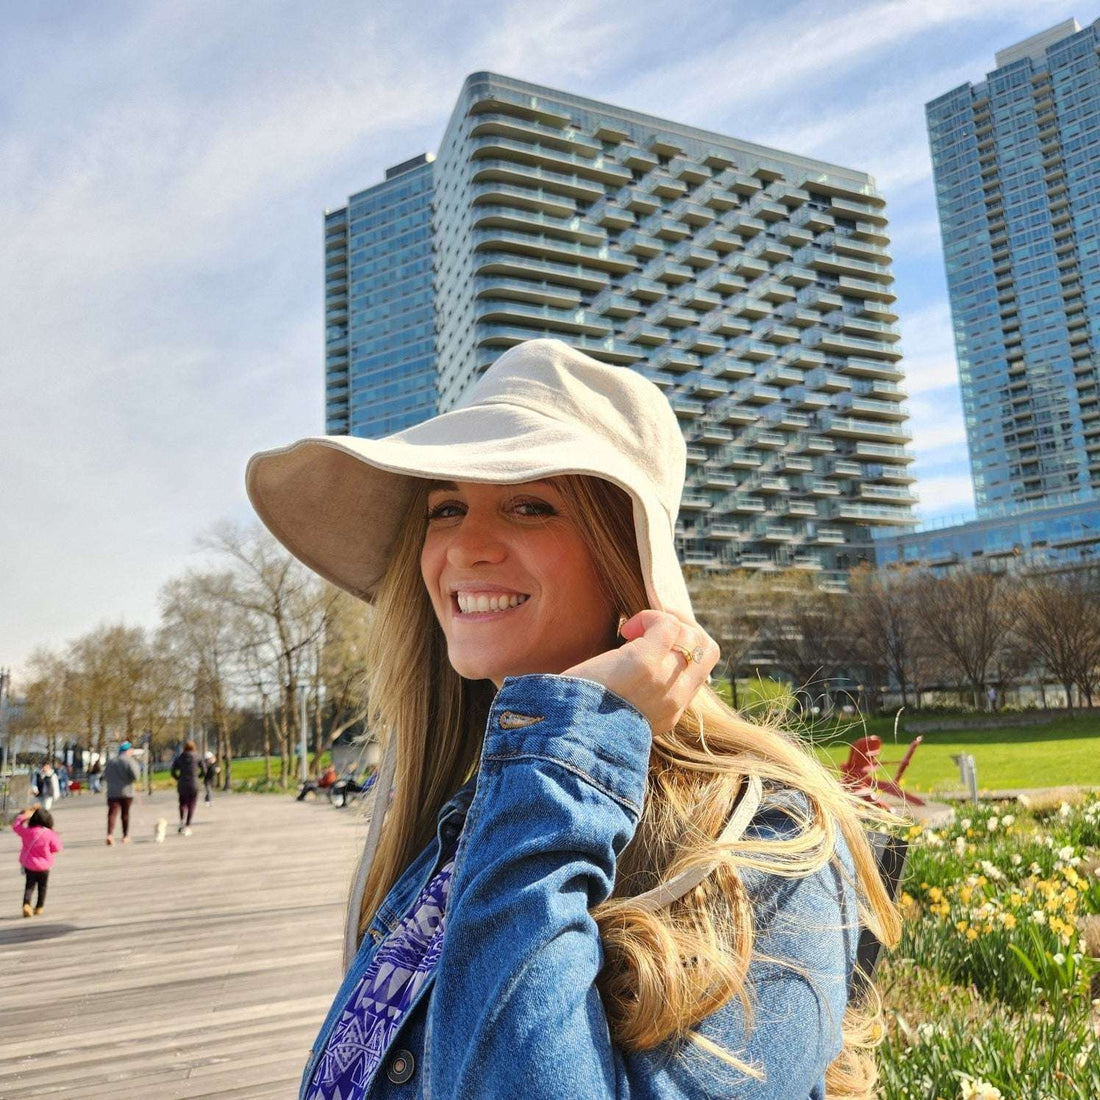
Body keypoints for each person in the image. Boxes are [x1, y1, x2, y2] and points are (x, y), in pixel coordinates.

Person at [247, 339, 901, 1099]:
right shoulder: (455, 824)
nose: (466, 546)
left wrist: (564, 749)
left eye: (530, 506)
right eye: (446, 507)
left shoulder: (766, 843)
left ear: (625, 557)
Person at [12, 805, 63, 917]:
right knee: (42, 887)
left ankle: (26, 905)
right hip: (44, 867)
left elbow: (15, 826)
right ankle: (39, 907)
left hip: (29, 865)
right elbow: (57, 848)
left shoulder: (27, 832)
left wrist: (24, 816)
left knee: (29, 886)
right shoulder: (49, 833)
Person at [103, 742, 140, 845]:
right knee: (125, 814)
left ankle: (109, 834)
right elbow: (136, 776)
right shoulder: (130, 761)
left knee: (112, 814)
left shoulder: (111, 761)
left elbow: (105, 775)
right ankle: (125, 836)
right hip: (126, 792)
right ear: (128, 750)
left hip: (112, 792)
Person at [170, 740, 201, 835]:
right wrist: (198, 777)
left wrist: (178, 778)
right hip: (194, 783)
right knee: (191, 804)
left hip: (182, 783)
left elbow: (173, 771)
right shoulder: (197, 757)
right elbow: (204, 769)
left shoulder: (180, 758)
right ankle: (188, 825)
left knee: (182, 803)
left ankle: (181, 821)